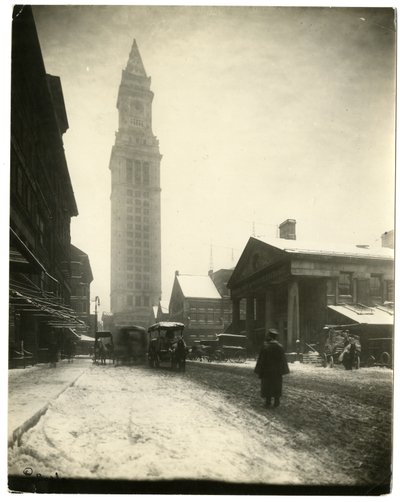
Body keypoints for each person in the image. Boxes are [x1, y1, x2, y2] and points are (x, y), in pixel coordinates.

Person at [255, 328, 290, 408]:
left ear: (269, 336)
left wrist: (260, 370)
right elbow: (283, 360)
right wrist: (283, 370)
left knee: (267, 386)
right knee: (276, 385)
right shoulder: (280, 347)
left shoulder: (265, 347)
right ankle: (277, 402)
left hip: (267, 371)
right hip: (277, 372)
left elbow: (261, 360)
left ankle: (268, 402)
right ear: (276, 337)